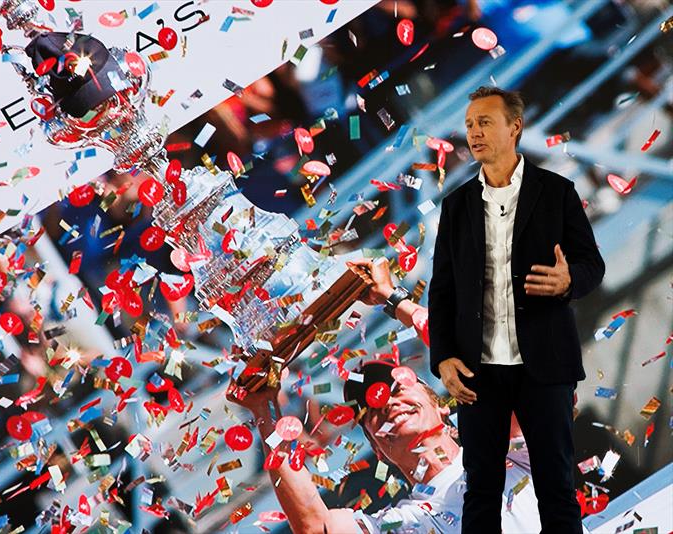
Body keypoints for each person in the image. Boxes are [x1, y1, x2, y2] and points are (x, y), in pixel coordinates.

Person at [227, 258, 545, 534]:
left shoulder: (512, 458)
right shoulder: (404, 521)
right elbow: (316, 527)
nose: (386, 401)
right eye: (371, 410)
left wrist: (394, 300)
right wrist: (264, 407)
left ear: (442, 408)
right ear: (379, 450)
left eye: (398, 387)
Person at [428, 86, 605, 533]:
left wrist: (570, 281)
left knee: (556, 486)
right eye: (469, 125)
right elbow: (442, 289)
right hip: (478, 371)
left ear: (515, 126)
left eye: (485, 122)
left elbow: (591, 264)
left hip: (543, 364)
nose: (474, 133)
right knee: (481, 491)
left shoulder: (556, 192)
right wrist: (443, 357)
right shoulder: (456, 206)